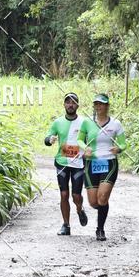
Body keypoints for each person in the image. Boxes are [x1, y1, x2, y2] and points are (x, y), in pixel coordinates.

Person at [78, 93, 126, 241]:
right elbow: (79, 140)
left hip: (109, 162)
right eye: (96, 104)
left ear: (107, 106)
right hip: (91, 162)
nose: (98, 107)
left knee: (103, 198)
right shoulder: (87, 122)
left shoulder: (116, 124)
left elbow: (123, 143)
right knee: (94, 202)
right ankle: (103, 211)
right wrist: (85, 147)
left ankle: (100, 229)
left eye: (101, 104)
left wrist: (119, 149)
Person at [44, 92, 89, 235]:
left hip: (78, 163)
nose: (70, 105)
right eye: (67, 102)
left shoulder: (84, 122)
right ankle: (66, 225)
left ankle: (80, 209)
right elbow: (47, 138)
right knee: (64, 195)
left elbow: (92, 139)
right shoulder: (58, 122)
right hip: (62, 162)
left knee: (76, 196)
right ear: (64, 104)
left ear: (77, 105)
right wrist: (49, 139)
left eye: (73, 102)